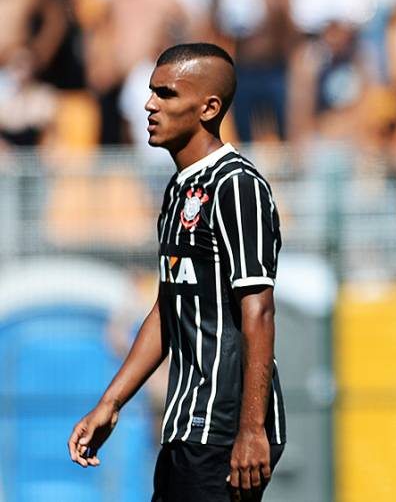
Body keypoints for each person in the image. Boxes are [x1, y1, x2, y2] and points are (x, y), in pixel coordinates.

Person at [67, 43, 286, 502]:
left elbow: (259, 310)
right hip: (184, 425)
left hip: (225, 429)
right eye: (151, 92)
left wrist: (251, 430)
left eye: (166, 94)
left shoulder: (237, 186)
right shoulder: (178, 190)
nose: (150, 104)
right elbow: (170, 304)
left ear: (208, 107)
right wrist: (111, 403)